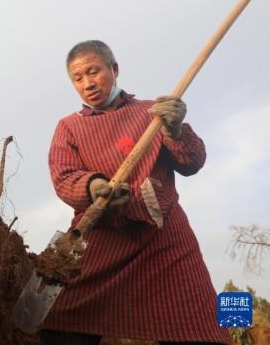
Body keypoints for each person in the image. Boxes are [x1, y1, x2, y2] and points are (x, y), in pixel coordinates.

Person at [42, 40, 230, 345]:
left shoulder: (153, 113)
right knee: (62, 320)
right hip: (102, 235)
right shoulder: (69, 127)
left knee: (197, 324)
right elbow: (63, 177)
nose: (88, 84)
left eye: (93, 72)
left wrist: (176, 130)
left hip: (165, 237)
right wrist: (93, 187)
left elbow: (192, 162)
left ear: (114, 69)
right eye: (78, 78)